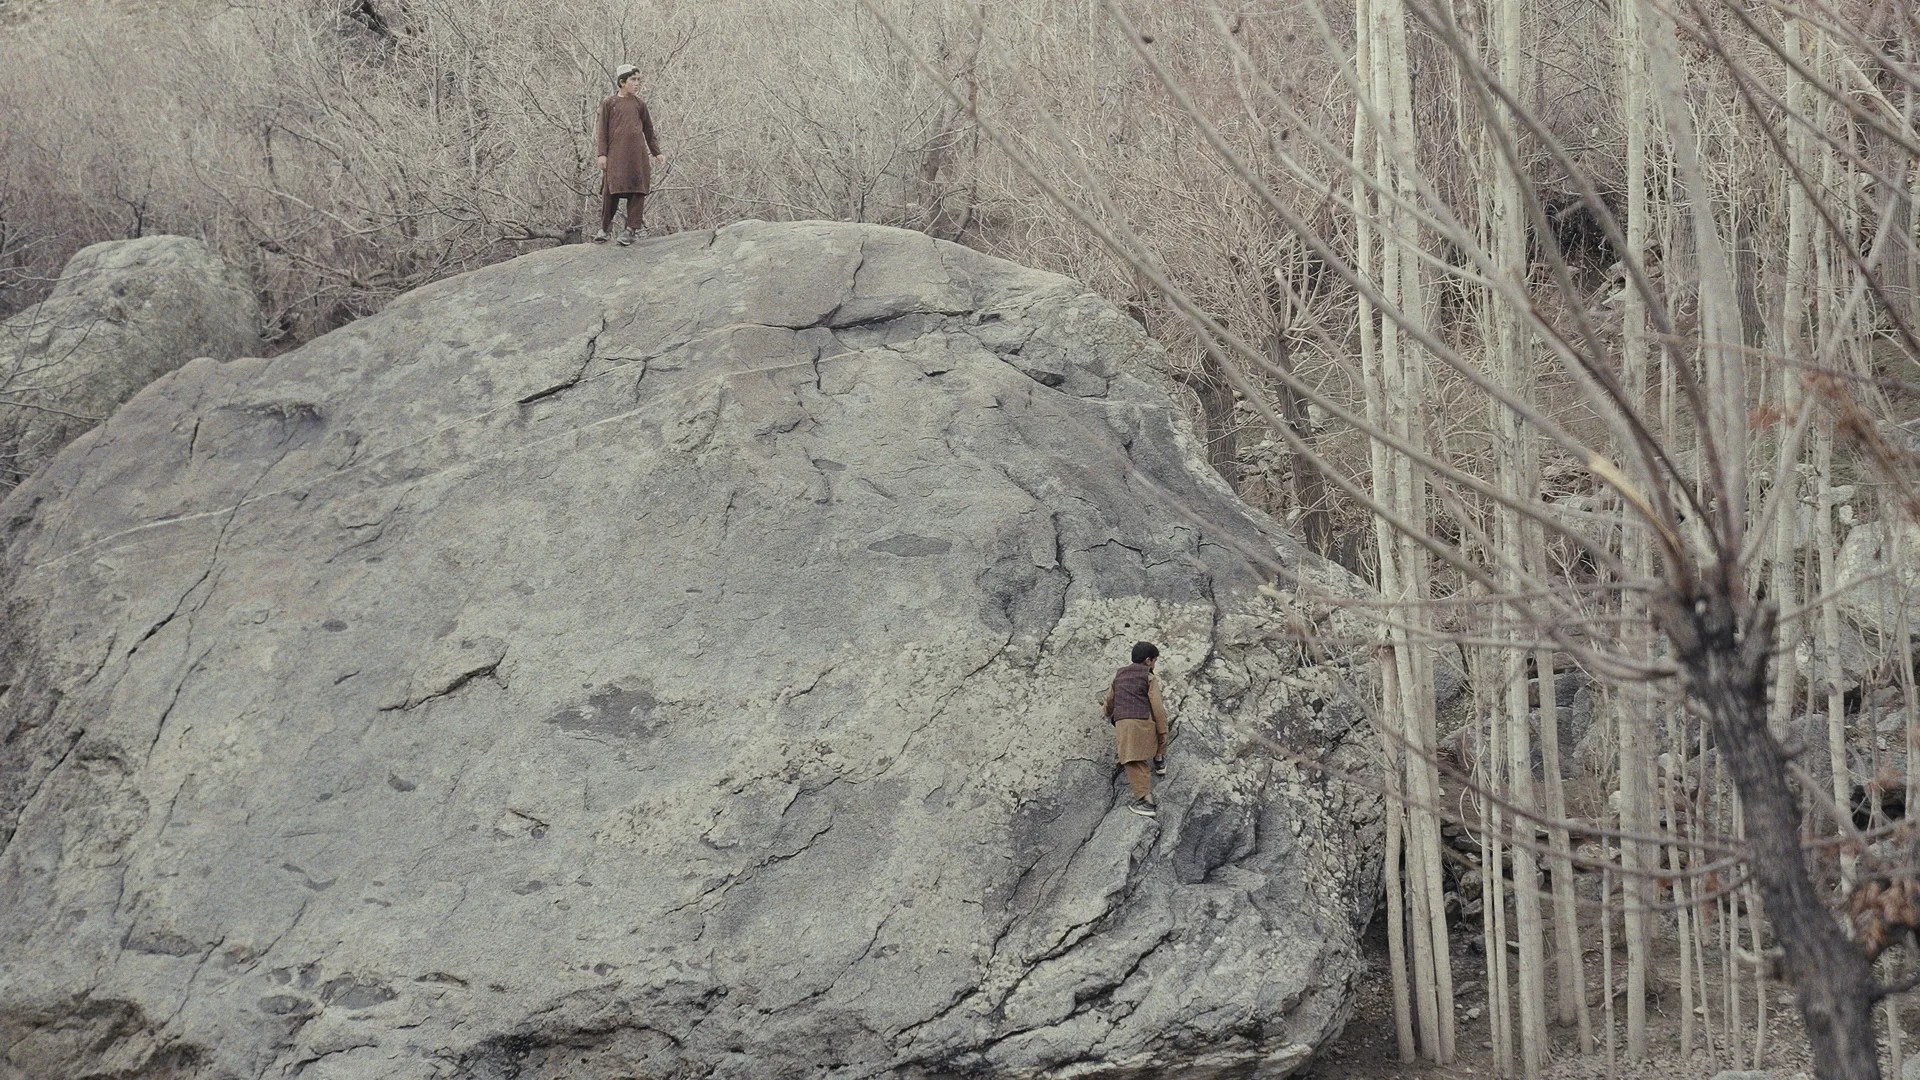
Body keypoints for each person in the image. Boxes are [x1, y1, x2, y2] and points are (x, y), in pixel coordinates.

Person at [595, 64, 664, 246]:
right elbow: (602, 131)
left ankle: (631, 229)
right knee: (610, 190)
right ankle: (605, 228)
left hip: (637, 156)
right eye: (633, 80)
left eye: (638, 80)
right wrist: (602, 154)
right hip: (615, 155)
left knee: (637, 189)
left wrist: (656, 152)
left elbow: (649, 130)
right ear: (622, 82)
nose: (637, 83)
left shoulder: (640, 105)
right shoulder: (609, 104)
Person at [1103, 641, 1170, 817]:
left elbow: (1110, 700)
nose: (1154, 665)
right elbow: (1157, 706)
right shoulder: (1148, 677)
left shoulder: (1119, 675)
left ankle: (1146, 800)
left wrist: (1108, 713)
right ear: (1148, 660)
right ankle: (1158, 761)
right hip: (1143, 720)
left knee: (1132, 759)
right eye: (1155, 661)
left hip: (1123, 723)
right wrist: (1163, 730)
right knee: (1157, 735)